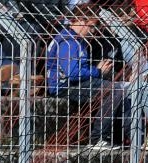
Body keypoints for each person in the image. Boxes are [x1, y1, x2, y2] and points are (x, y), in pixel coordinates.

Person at [46, 3, 135, 149]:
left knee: (123, 89)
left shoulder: (76, 40)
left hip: (75, 83)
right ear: (81, 20)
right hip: (65, 87)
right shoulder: (68, 41)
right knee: (115, 90)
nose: (93, 31)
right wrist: (98, 71)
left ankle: (131, 135)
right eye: (92, 26)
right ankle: (98, 138)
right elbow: (73, 73)